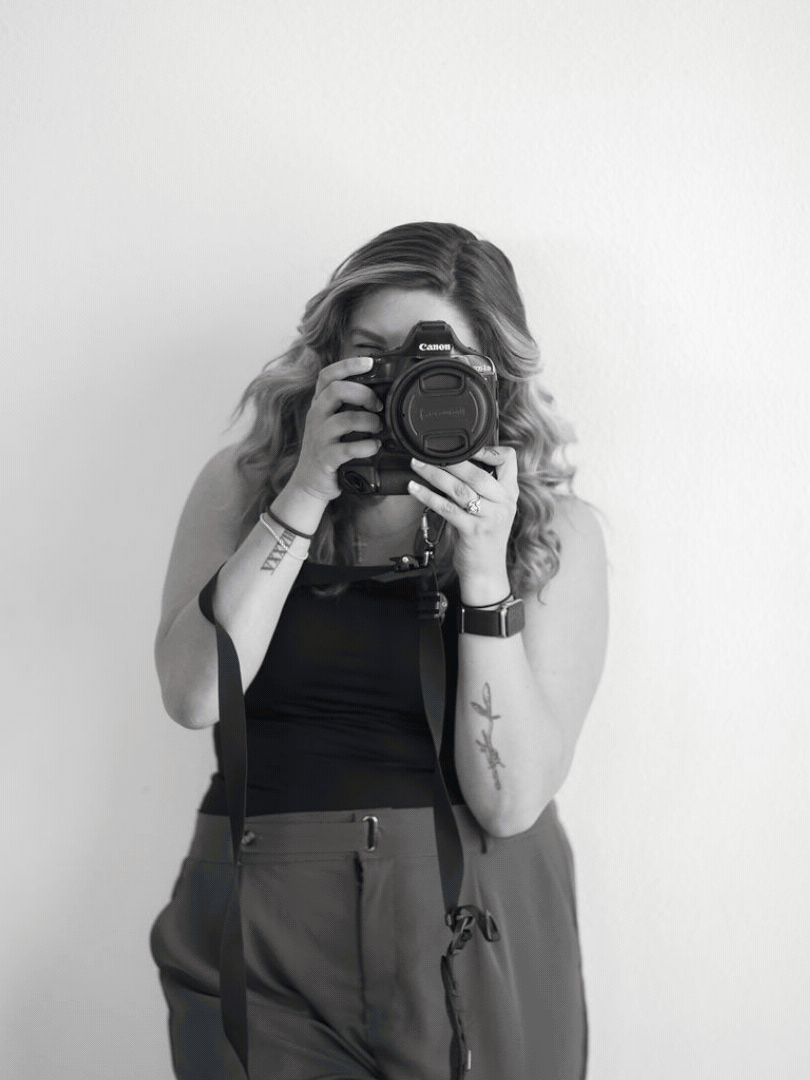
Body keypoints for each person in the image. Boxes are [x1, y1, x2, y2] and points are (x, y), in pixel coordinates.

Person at [149, 222, 608, 1080]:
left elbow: (510, 802)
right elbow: (194, 695)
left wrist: (483, 572)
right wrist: (304, 492)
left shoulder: (550, 532)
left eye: (440, 361)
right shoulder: (245, 486)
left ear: (494, 376)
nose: (404, 381)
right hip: (265, 918)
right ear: (328, 357)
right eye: (374, 354)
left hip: (475, 910)